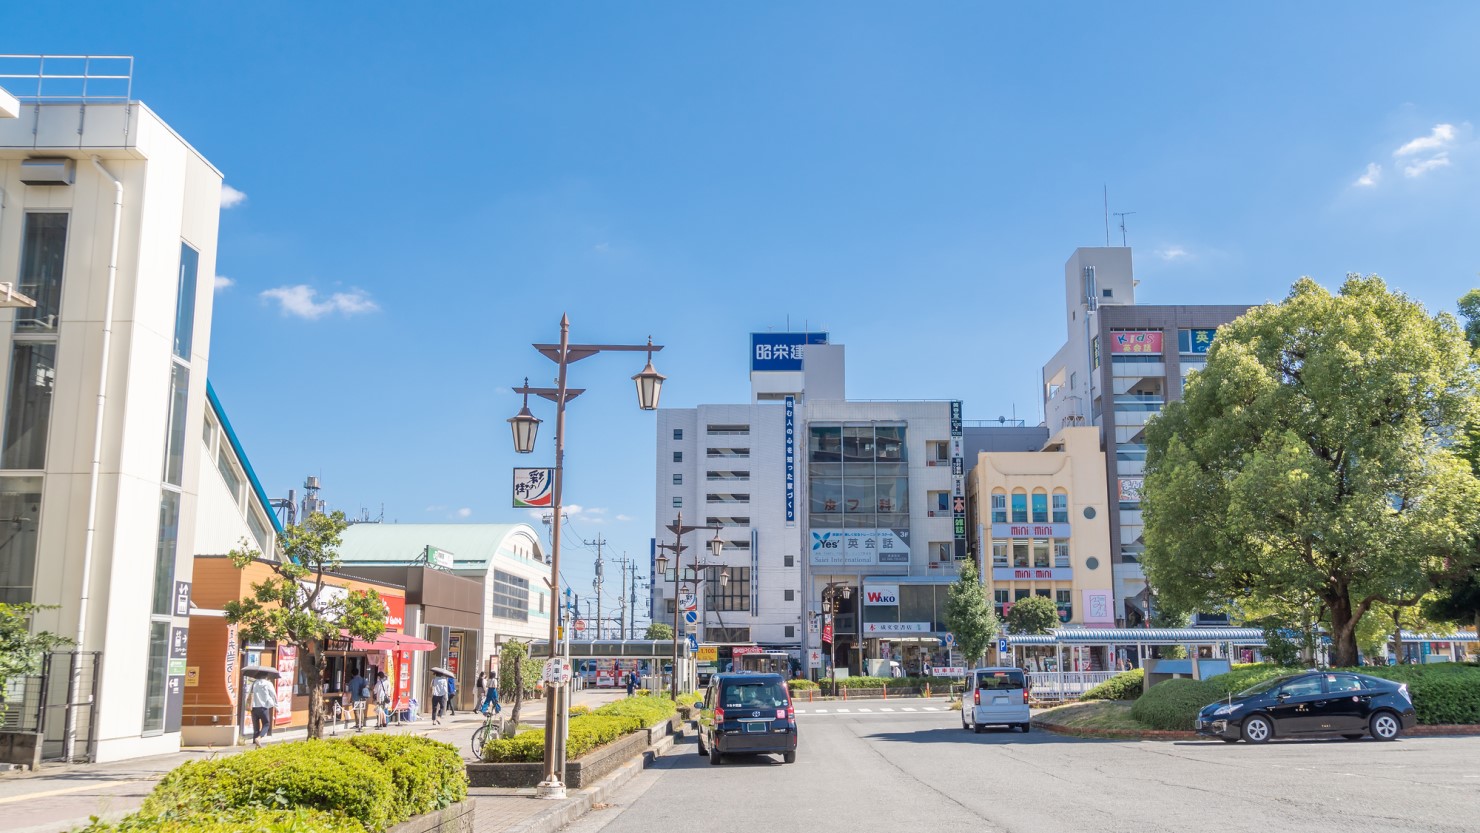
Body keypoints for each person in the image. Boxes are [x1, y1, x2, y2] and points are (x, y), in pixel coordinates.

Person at [249, 675, 276, 748]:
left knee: (256, 727)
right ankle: (259, 738)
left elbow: (250, 694)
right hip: (263, 707)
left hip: (254, 707)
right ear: (266, 676)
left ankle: (256, 747)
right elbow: (273, 694)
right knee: (266, 724)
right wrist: (275, 705)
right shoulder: (268, 683)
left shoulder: (254, 683)